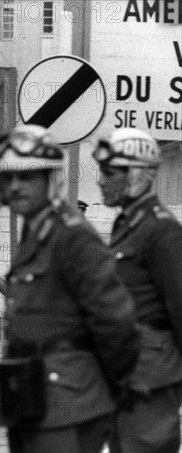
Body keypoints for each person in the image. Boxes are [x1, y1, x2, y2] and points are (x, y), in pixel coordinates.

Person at [0, 125, 140, 453]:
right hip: (27, 392)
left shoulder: (72, 236)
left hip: (67, 398)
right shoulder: (35, 232)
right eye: (8, 177)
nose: (15, 187)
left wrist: (109, 385)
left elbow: (116, 320)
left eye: (27, 177)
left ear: (50, 179)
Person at [93, 128, 182, 453]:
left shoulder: (161, 230)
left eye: (110, 172)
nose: (101, 181)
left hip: (152, 376)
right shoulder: (128, 224)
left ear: (138, 175)